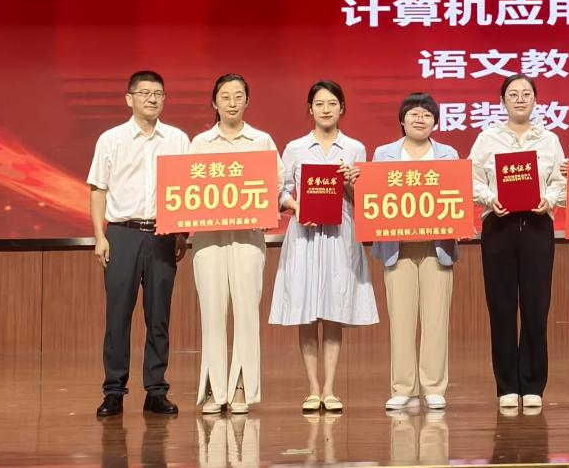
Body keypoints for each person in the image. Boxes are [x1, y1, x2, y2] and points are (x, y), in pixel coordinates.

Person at [269, 80, 378, 413]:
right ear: (310, 109)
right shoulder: (295, 148)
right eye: (319, 104)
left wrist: (349, 183)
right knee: (306, 312)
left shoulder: (355, 148)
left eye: (332, 103)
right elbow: (279, 191)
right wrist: (297, 206)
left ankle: (330, 389)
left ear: (342, 108)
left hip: (340, 234)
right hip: (304, 236)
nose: (326, 109)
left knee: (333, 311)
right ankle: (312, 389)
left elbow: (362, 200)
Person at [87, 70, 191, 417]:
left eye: (158, 93)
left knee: (159, 316)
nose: (152, 98)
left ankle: (156, 390)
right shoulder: (111, 139)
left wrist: (181, 233)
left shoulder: (178, 139)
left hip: (163, 235)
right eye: (144, 93)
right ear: (129, 98)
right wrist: (100, 236)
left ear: (164, 99)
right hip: (122, 234)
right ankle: (113, 391)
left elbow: (186, 190)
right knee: (118, 315)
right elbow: (98, 189)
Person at [470, 73, 567, 411]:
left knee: (536, 307)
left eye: (526, 94)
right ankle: (506, 385)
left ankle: (533, 384)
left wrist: (549, 199)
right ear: (502, 101)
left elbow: (560, 181)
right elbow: (471, 178)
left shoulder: (549, 139)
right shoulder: (487, 138)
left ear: (536, 101)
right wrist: (489, 198)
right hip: (498, 225)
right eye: (513, 94)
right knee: (501, 307)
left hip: (538, 226)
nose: (520, 99)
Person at [189, 74, 278, 415]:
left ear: (247, 101)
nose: (231, 102)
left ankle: (241, 385)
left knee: (246, 312)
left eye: (238, 96)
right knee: (212, 312)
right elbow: (186, 185)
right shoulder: (200, 143)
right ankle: (214, 387)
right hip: (208, 237)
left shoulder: (261, 140)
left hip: (248, 236)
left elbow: (276, 183)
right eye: (225, 96)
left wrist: (266, 205)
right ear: (214, 102)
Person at [373, 93, 460, 412]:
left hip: (438, 247)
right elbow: (375, 195)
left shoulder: (449, 154)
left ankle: (434, 386)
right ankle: (403, 388)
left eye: (426, 114)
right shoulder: (383, 154)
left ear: (435, 122)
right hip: (397, 247)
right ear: (402, 120)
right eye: (413, 113)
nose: (420, 118)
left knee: (436, 320)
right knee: (401, 320)